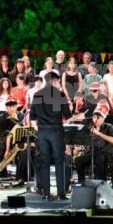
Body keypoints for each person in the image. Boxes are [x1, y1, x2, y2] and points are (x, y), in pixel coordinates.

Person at [28, 71, 73, 201]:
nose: (59, 84)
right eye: (58, 81)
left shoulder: (37, 95)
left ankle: (46, 194)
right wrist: (78, 116)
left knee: (44, 162)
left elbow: (32, 117)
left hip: (42, 133)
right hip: (56, 131)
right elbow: (68, 116)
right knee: (59, 162)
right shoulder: (60, 95)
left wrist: (39, 129)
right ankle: (60, 194)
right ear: (53, 81)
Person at [74, 103, 113, 183]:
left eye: (98, 117)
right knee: (78, 160)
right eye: (94, 117)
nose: (95, 119)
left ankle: (100, 183)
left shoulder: (109, 126)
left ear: (103, 118)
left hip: (105, 153)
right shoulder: (90, 127)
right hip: (91, 152)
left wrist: (99, 133)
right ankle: (82, 182)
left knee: (99, 160)